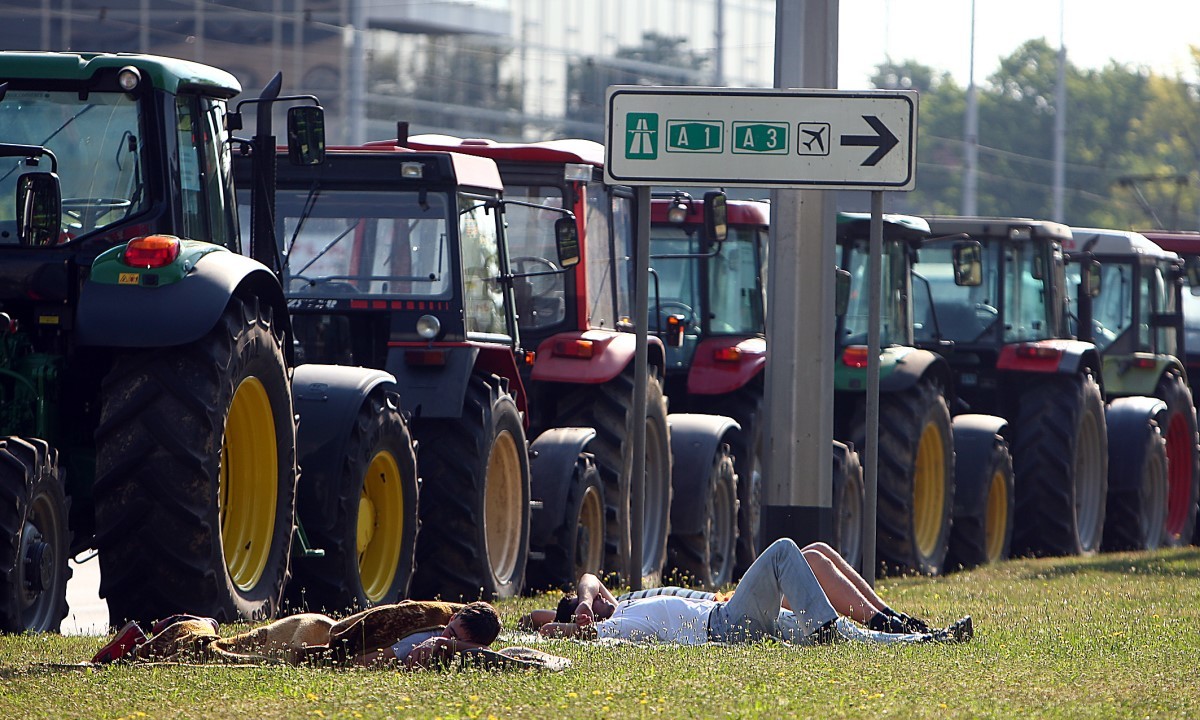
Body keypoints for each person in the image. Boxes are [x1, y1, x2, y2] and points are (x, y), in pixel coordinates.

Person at [523, 538, 972, 646]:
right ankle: (837, 629)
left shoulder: (623, 601)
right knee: (785, 552)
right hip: (726, 624)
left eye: (600, 597)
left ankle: (921, 637)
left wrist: (585, 599)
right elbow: (535, 625)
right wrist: (569, 620)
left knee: (844, 631)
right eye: (598, 603)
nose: (604, 597)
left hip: (736, 617)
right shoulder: (614, 627)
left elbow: (588, 579)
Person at [90, 599, 502, 670]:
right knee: (222, 656)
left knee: (232, 649)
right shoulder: (428, 639)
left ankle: (161, 634)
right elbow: (364, 660)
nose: (445, 636)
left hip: (313, 625)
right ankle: (189, 627)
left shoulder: (450, 627)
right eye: (449, 630)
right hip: (313, 635)